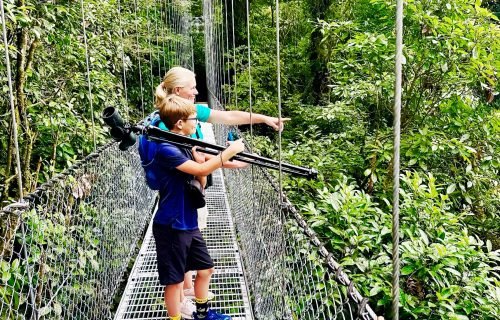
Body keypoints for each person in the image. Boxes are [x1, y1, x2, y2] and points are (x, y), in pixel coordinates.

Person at [155, 66, 290, 310]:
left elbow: (227, 119)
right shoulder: (167, 127)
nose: (197, 91)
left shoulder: (187, 113)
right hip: (178, 201)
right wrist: (226, 156)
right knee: (179, 258)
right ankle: (183, 301)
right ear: (178, 91)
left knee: (195, 252)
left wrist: (263, 119)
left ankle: (192, 297)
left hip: (192, 193)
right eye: (193, 87)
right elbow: (192, 165)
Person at [139, 95, 244, 320]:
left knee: (206, 269)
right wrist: (229, 152)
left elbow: (201, 180)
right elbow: (199, 171)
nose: (197, 123)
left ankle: (203, 314)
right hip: (171, 225)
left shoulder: (183, 143)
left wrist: (211, 163)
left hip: (188, 221)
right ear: (180, 123)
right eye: (194, 119)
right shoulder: (166, 149)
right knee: (174, 282)